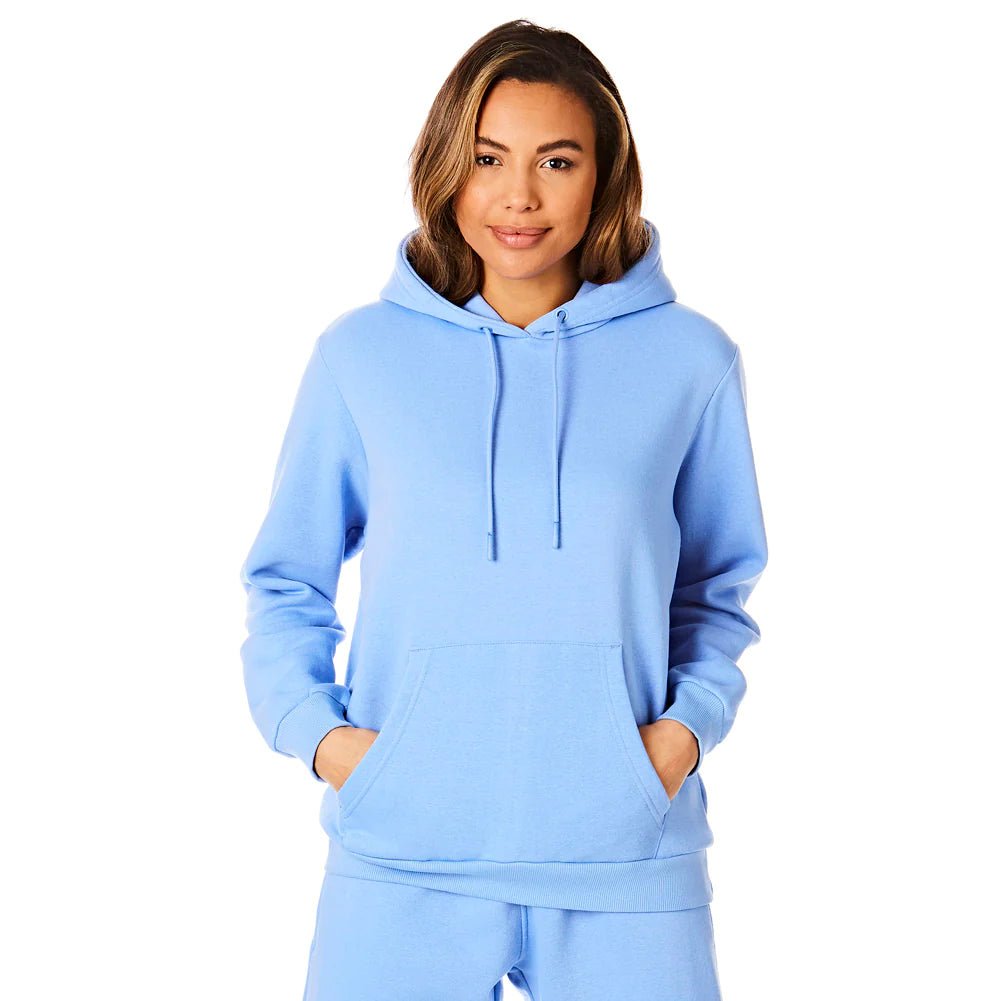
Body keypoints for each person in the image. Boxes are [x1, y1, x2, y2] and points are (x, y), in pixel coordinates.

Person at [239, 18, 768, 1001]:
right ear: (446, 167)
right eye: (488, 158)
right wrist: (323, 738)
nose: (518, 196)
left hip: (628, 860)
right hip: (402, 855)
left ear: (604, 177)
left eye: (555, 161)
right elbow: (286, 579)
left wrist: (678, 736)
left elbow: (716, 584)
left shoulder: (690, 360)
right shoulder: (361, 357)